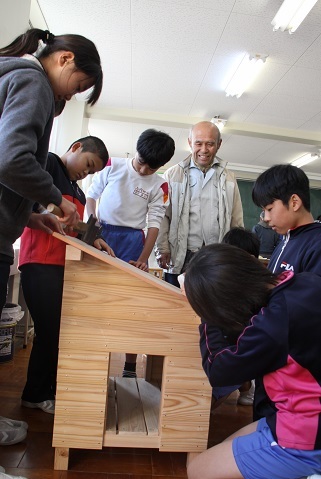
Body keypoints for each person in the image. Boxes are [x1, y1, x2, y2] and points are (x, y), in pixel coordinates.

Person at [0, 26, 103, 463]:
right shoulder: (33, 80)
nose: (71, 97)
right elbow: (11, 158)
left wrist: (33, 215)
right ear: (64, 60)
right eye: (78, 86)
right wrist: (55, 197)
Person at [183, 243, 321, 479]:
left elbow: (219, 370)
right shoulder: (307, 281)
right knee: (227, 446)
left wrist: (206, 315)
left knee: (197, 469)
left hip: (306, 436)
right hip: (299, 417)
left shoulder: (272, 327)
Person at [18, 136, 113, 415]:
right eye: (88, 164)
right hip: (40, 261)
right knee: (49, 331)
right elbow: (33, 203)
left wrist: (94, 239)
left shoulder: (79, 193)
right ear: (75, 148)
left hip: (63, 266)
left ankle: (47, 389)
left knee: (56, 332)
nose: (87, 173)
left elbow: (73, 229)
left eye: (93, 172)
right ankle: (34, 394)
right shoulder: (46, 163)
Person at [86, 128, 175, 378]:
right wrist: (93, 230)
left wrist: (144, 258)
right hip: (102, 232)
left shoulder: (162, 185)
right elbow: (92, 195)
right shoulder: (112, 164)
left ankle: (130, 365)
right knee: (96, 300)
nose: (144, 171)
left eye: (152, 168)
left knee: (131, 305)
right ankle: (93, 356)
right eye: (141, 163)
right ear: (135, 151)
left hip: (133, 240)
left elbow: (155, 222)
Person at [252, 164, 321, 422]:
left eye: (269, 209)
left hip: (296, 366)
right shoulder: (285, 240)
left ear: (294, 202)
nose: (266, 218)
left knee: (279, 423)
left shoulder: (316, 243)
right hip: (272, 353)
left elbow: (309, 307)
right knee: (263, 412)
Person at [155, 120, 243, 287]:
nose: (204, 150)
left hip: (215, 257)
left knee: (211, 307)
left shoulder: (229, 178)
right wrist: (162, 248)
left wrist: (235, 255)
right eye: (198, 143)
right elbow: (162, 216)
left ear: (219, 144)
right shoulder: (172, 175)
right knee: (177, 305)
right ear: (189, 142)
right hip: (181, 255)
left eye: (210, 144)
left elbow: (236, 220)